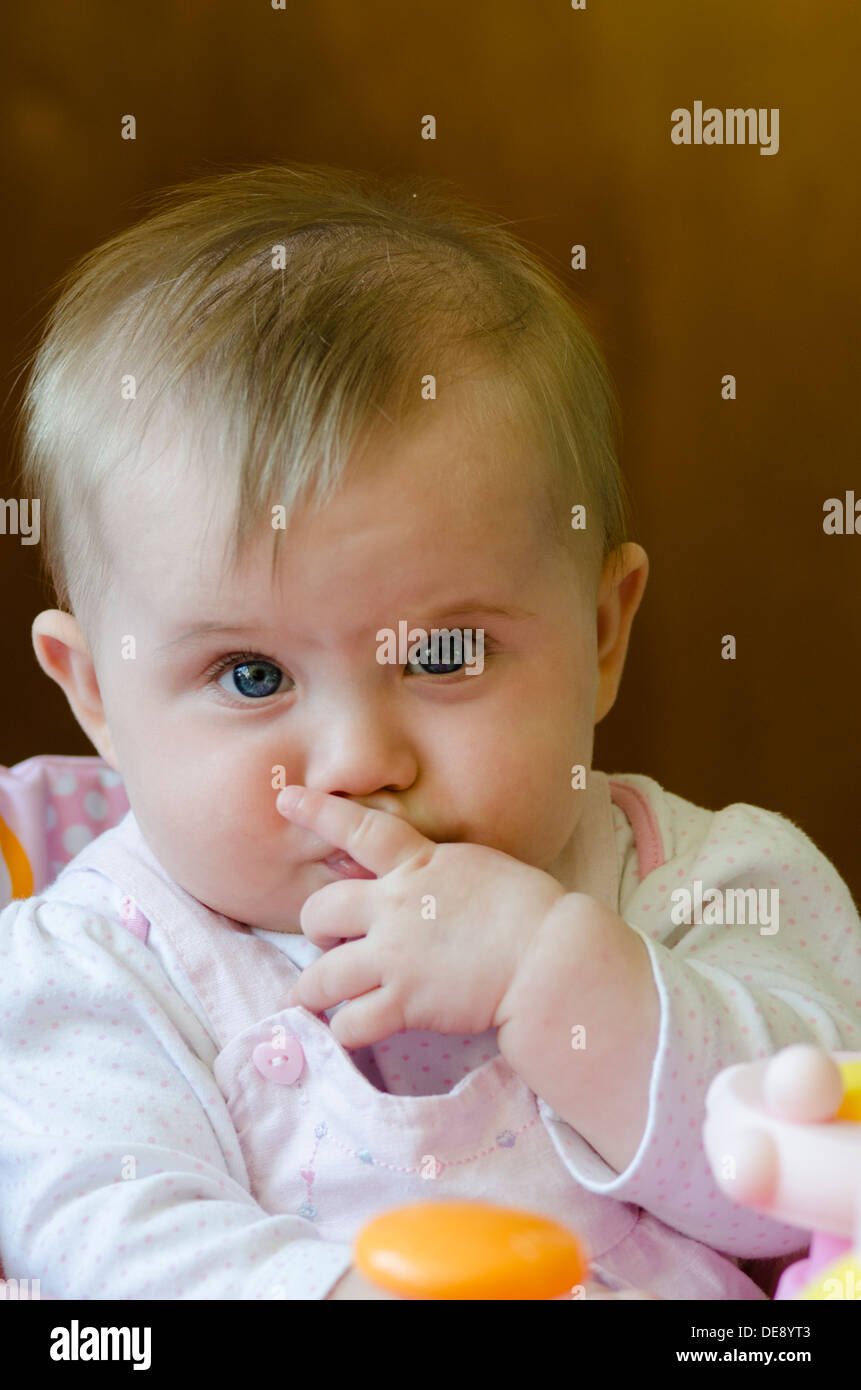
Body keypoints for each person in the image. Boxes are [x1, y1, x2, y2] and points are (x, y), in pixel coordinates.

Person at [1, 162, 857, 1300]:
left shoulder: (712, 885)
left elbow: (813, 1167)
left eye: (445, 654)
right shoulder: (95, 965)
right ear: (94, 691)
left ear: (603, 635)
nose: (360, 760)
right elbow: (101, 1236)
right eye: (250, 673)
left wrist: (556, 973)